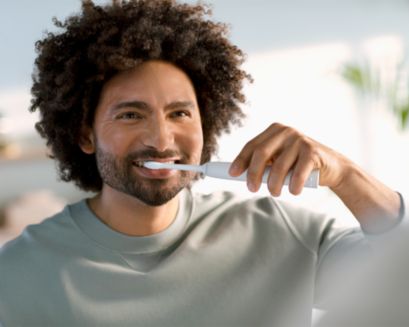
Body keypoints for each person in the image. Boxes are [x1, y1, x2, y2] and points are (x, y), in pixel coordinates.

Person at [0, 1, 406, 326]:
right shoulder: (18, 275)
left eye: (180, 114)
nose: (161, 141)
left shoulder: (283, 234)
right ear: (85, 134)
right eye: (130, 115)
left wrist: (346, 176)